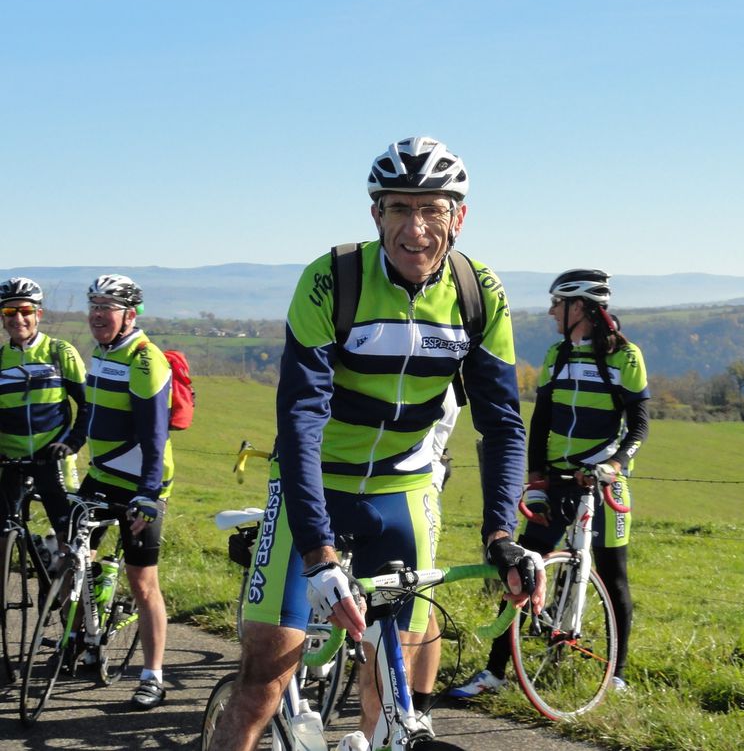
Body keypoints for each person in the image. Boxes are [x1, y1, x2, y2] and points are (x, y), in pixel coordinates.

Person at [211, 136, 544, 751]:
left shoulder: (479, 291)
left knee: (394, 690)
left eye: (433, 210)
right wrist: (317, 553)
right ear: (376, 215)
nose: (416, 229)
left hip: (405, 492)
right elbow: (302, 420)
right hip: (314, 485)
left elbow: (500, 422)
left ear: (459, 217)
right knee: (263, 677)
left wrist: (501, 535)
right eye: (399, 209)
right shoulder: (332, 279)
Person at [451, 268, 649, 696]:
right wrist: (536, 476)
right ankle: (496, 673)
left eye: (557, 303)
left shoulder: (626, 356)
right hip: (556, 484)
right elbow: (538, 423)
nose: (551, 311)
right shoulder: (557, 355)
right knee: (522, 574)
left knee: (614, 578)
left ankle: (617, 675)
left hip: (603, 486)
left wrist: (614, 464)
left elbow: (638, 427)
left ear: (580, 308)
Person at [79, 274, 174, 710]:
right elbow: (94, 414)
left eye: (108, 307)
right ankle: (88, 630)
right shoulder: (100, 352)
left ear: (129, 315)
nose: (99, 315)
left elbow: (154, 437)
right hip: (101, 476)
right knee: (69, 554)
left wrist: (148, 495)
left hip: (140, 485)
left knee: (144, 582)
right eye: (94, 305)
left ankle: (153, 675)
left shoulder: (143, 359)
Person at [0, 277, 87, 543]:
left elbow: (87, 405)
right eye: (9, 311)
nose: (18, 319)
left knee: (68, 537)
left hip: (52, 457)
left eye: (25, 311)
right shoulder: (1, 358)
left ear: (38, 314)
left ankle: (65, 578)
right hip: (10, 461)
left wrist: (73, 442)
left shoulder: (60, 352)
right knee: (3, 536)